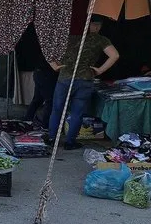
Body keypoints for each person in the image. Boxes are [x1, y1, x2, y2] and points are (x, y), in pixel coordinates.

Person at [46, 17, 119, 150]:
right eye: (97, 25)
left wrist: (54, 66)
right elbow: (114, 55)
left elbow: (47, 48)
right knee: (77, 112)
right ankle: (70, 142)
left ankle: (51, 138)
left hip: (64, 77)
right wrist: (100, 70)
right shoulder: (101, 40)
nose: (97, 27)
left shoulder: (67, 35)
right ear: (96, 26)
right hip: (85, 79)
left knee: (57, 109)